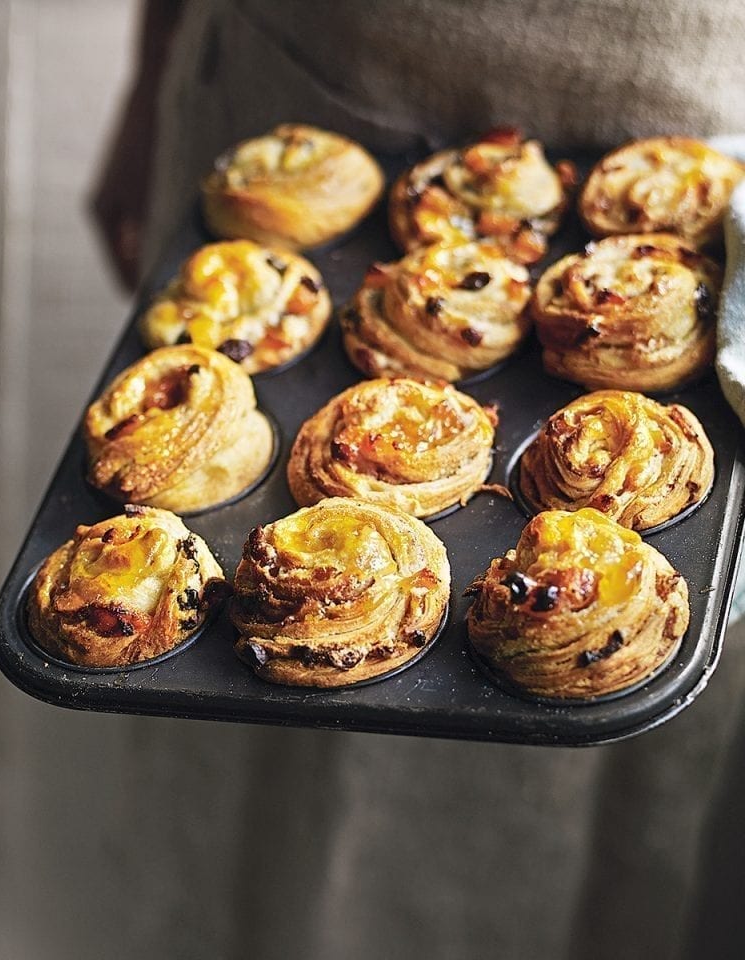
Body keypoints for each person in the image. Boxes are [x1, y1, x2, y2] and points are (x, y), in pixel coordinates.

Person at [91, 3, 745, 957]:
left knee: (606, 833)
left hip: (698, 172)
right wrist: (149, 88)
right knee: (269, 820)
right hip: (312, 81)